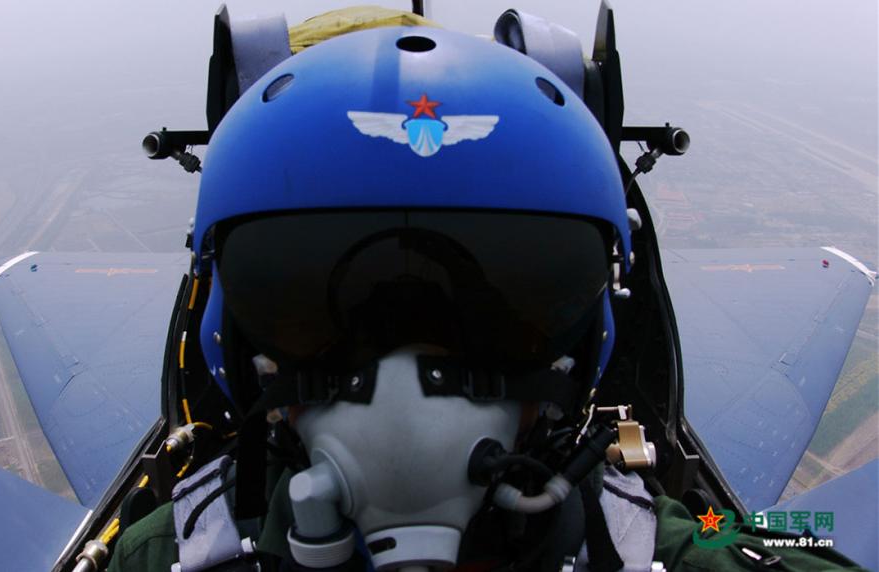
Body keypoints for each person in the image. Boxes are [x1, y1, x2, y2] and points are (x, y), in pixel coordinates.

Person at [107, 7, 866, 572]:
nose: (409, 386)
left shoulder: (168, 549)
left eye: (504, 311)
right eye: (315, 311)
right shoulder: (653, 536)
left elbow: (752, 546)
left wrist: (728, 535)